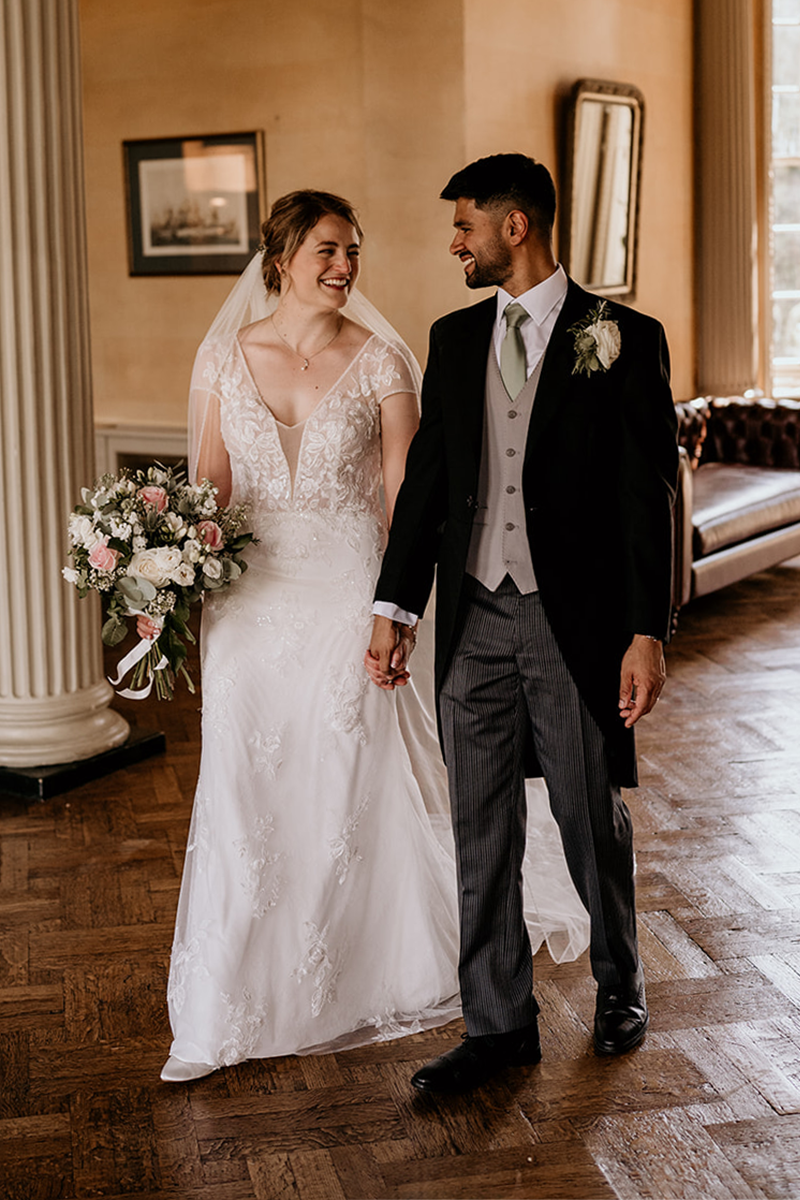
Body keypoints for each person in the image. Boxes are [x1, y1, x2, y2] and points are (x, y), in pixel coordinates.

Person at [156, 189, 590, 1083]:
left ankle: (349, 966)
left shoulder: (385, 359)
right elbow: (207, 494)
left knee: (345, 773)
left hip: (349, 594)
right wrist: (156, 574)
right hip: (246, 607)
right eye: (326, 250)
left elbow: (410, 498)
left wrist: (398, 608)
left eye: (353, 250)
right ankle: (229, 995)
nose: (345, 267)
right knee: (242, 788)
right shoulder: (223, 358)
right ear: (281, 256)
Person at [367, 154, 679, 1094]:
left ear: (516, 227)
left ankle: (620, 983)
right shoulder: (455, 339)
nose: (453, 243)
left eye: (465, 225)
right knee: (479, 827)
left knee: (589, 815)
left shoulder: (622, 335)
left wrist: (646, 629)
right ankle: (499, 1025)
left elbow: (645, 493)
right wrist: (394, 606)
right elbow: (428, 486)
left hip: (570, 623)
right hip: (472, 620)